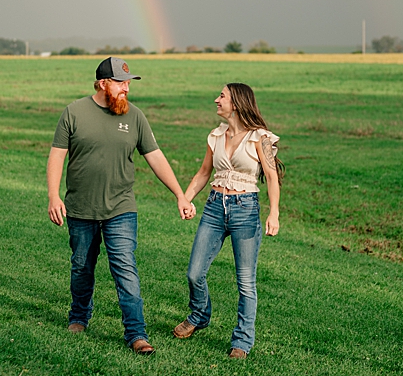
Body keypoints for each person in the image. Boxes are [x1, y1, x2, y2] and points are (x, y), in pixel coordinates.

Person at [46, 56, 194, 355]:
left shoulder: (135, 116)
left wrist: (180, 194)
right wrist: (53, 196)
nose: (126, 88)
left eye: (128, 82)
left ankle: (136, 334)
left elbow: (155, 157)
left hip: (121, 208)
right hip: (81, 208)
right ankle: (79, 316)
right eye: (120, 82)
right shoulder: (74, 112)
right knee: (81, 267)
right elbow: (57, 156)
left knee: (125, 269)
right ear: (102, 83)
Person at [173, 82, 282, 359]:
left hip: (245, 209)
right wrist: (185, 198)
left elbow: (271, 177)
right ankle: (199, 315)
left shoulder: (261, 138)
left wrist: (274, 213)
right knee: (194, 273)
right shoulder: (215, 135)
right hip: (213, 208)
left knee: (245, 282)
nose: (216, 100)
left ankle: (242, 341)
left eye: (221, 96)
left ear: (237, 103)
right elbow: (203, 173)